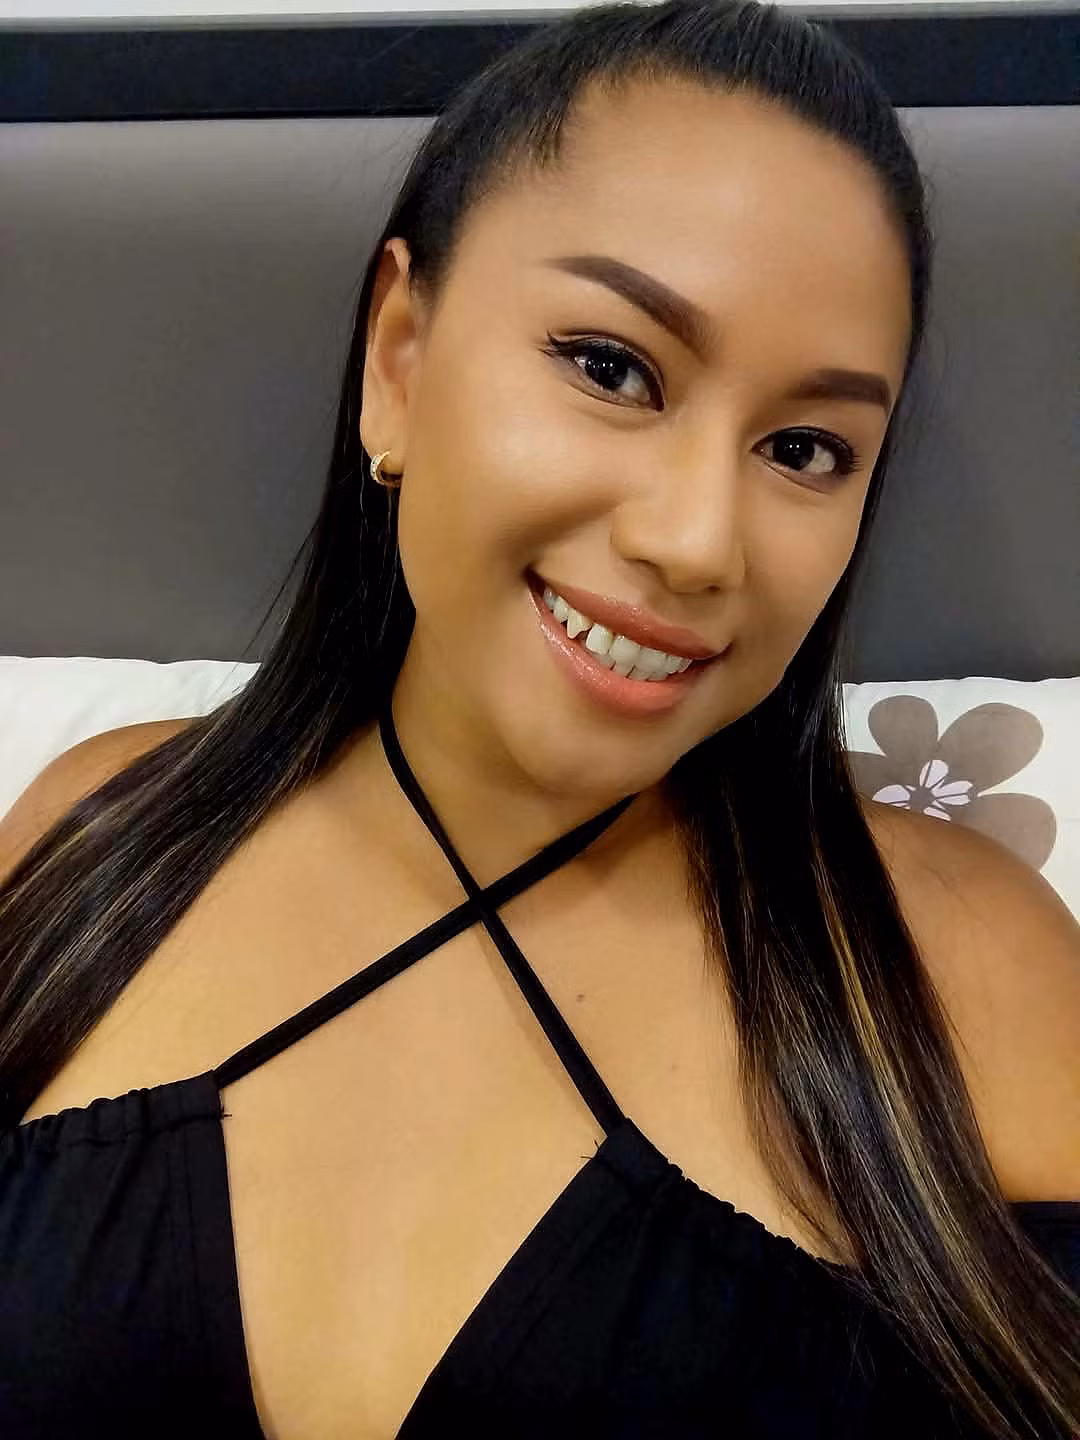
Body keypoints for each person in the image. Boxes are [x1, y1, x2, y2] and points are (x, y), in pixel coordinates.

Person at [0, 1, 1077, 1435]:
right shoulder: (93, 828)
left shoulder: (968, 962)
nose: (697, 541)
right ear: (400, 357)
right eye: (611, 366)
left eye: (806, 448)